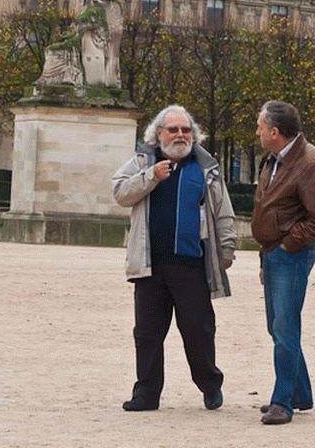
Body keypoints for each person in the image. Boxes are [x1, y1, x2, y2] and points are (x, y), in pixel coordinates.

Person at [112, 105, 235, 412]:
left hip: (191, 263)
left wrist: (228, 248)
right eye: (173, 130)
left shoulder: (205, 167)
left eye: (185, 130)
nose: (180, 135)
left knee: (199, 329)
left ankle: (210, 385)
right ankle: (146, 394)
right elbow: (119, 192)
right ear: (158, 134)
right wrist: (150, 177)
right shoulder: (144, 161)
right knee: (147, 333)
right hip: (150, 263)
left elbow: (223, 211)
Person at [251, 100, 315, 425]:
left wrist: (287, 245)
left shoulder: (310, 162)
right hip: (275, 251)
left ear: (275, 131)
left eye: (260, 126)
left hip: (291, 254)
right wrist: (267, 254)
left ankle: (282, 402)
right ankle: (300, 394)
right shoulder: (273, 159)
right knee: (278, 327)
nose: (257, 130)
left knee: (285, 328)